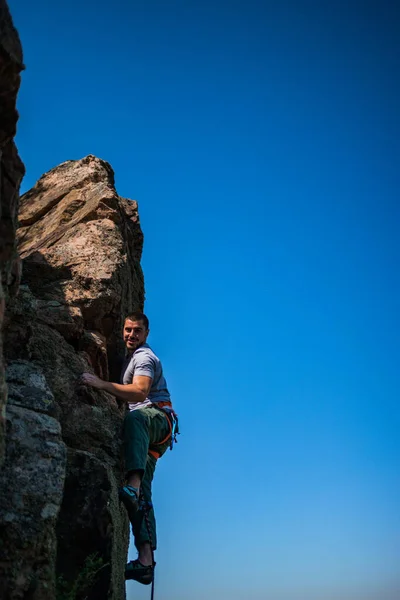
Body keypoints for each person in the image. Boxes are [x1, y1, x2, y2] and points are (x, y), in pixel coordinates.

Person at [81, 311, 177, 586]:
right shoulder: (130, 358)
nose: (131, 335)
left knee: (135, 417)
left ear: (146, 334)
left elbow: (140, 392)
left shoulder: (144, 357)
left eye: (137, 331)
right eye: (127, 330)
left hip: (157, 419)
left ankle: (132, 485)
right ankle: (146, 561)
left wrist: (100, 384)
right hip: (150, 437)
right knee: (144, 496)